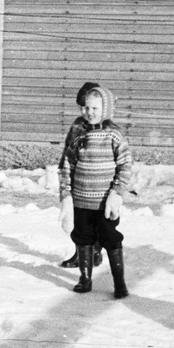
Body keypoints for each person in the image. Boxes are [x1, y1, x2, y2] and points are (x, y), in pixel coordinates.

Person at [58, 85, 132, 298]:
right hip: (81, 200)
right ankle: (85, 278)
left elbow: (125, 165)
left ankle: (119, 283)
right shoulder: (79, 133)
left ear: (105, 109)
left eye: (95, 108)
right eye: (86, 108)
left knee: (110, 238)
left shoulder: (113, 135)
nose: (89, 112)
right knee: (82, 237)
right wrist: (66, 194)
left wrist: (117, 192)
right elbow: (67, 164)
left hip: (105, 202)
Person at [57, 81, 104, 270]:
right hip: (77, 179)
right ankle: (80, 253)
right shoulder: (77, 125)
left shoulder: (104, 126)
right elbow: (68, 150)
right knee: (77, 220)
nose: (85, 112)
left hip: (97, 182)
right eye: (82, 107)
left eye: (89, 107)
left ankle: (96, 252)